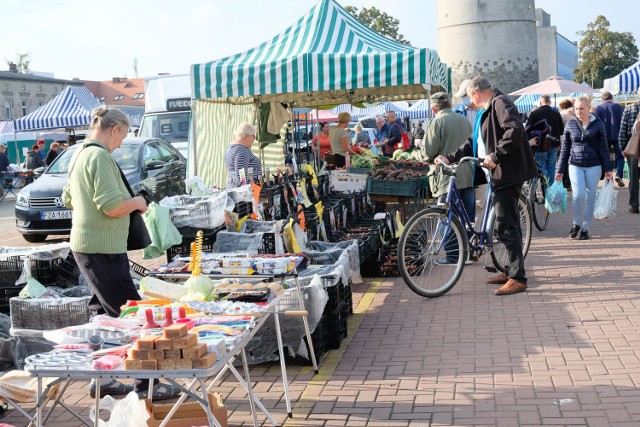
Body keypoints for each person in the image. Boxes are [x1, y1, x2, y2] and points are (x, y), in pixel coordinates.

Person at [62, 105, 180, 400]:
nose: (120, 144)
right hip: (100, 248)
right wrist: (138, 202)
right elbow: (112, 206)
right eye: (122, 136)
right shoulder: (99, 156)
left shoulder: (79, 152)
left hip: (90, 245)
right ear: (113, 129)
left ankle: (101, 379)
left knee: (100, 313)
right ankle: (146, 385)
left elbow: (67, 198)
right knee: (131, 314)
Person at [436, 76, 537, 296]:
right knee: (503, 223)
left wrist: (496, 156)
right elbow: (472, 142)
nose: (467, 102)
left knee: (506, 225)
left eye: (467, 97)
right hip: (497, 173)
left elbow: (515, 130)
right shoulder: (485, 110)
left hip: (507, 172)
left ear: (475, 93)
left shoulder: (501, 103)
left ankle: (518, 278)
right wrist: (449, 157)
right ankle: (509, 270)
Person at [555, 96, 612, 240]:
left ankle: (585, 228)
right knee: (578, 195)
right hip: (575, 163)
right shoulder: (571, 124)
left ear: (588, 108)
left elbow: (604, 148)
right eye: (576, 108)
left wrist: (608, 169)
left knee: (590, 196)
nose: (578, 111)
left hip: (594, 165)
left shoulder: (598, 124)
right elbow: (565, 149)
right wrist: (560, 170)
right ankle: (576, 224)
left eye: (581, 108)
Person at [526, 94, 564, 182]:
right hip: (554, 144)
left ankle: (545, 186)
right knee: (551, 167)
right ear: (550, 102)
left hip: (540, 145)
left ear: (540, 102)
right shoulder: (556, 113)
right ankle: (549, 191)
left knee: (542, 167)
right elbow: (561, 130)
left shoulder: (534, 113)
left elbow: (527, 130)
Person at [595, 91, 625, 187]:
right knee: (620, 156)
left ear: (602, 99)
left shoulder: (599, 108)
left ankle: (608, 177)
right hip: (618, 135)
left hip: (604, 136)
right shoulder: (618, 107)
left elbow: (596, 123)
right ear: (612, 98)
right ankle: (619, 174)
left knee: (605, 157)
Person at [619, 89, 640, 213]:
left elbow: (623, 129)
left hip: (633, 147)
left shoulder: (630, 108)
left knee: (634, 176)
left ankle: (634, 205)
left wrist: (622, 148)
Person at [225, 123, 262, 188]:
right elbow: (241, 177)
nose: (254, 139)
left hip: (235, 190)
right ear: (247, 136)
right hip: (247, 194)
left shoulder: (231, 148)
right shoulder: (241, 150)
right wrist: (247, 194)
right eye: (254, 136)